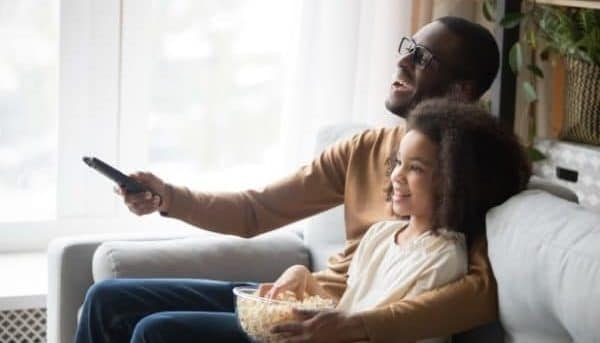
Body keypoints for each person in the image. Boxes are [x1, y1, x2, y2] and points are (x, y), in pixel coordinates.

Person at [75, 16, 504, 343]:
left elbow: (481, 292)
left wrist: (357, 326)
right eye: (408, 47)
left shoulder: (469, 172)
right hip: (302, 300)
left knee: (158, 331)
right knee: (106, 299)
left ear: (461, 91)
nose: (402, 60)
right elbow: (255, 210)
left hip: (333, 323)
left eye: (422, 58)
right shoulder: (366, 147)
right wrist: (167, 197)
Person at [261, 99, 531, 343]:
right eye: (399, 162)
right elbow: (346, 309)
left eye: (415, 168)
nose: (396, 176)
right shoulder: (379, 234)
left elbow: (390, 331)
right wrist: (305, 279)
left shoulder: (444, 257)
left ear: (455, 183)